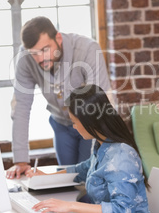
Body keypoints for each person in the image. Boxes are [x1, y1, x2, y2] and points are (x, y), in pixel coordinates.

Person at [7, 16, 112, 179]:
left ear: (58, 38)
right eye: (34, 53)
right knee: (66, 181)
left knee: (87, 178)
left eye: (45, 50)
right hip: (61, 125)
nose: (40, 58)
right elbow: (21, 106)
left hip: (91, 124)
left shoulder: (88, 50)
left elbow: (99, 106)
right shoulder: (25, 59)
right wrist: (21, 161)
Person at [25, 84, 150, 213]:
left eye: (74, 122)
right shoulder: (102, 145)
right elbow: (82, 170)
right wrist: (46, 178)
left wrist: (70, 206)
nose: (74, 127)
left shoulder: (121, 156)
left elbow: (123, 210)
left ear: (88, 121)